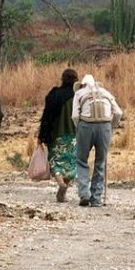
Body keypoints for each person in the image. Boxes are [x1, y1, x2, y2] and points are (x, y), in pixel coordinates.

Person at [72, 74, 123, 207]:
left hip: (85, 126)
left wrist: (80, 128)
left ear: (82, 85)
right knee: (100, 161)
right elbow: (118, 113)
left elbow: (75, 116)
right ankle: (96, 198)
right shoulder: (106, 92)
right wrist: (110, 126)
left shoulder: (79, 94)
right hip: (105, 126)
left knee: (81, 160)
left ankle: (84, 194)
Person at [38, 68, 79, 202]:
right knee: (71, 163)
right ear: (75, 80)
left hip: (55, 134)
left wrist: (41, 135)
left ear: (62, 79)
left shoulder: (54, 94)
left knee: (55, 161)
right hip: (73, 135)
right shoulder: (78, 96)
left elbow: (46, 116)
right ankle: (64, 189)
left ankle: (60, 182)